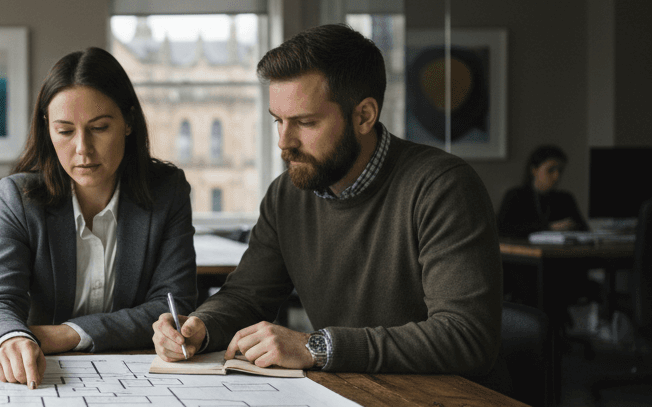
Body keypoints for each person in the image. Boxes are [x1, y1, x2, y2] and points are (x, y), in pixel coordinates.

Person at [153, 24, 501, 375]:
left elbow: (466, 335)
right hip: (350, 397)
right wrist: (201, 325)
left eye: (305, 122)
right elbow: (246, 296)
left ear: (364, 116)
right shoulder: (286, 195)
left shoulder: (442, 187)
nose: (284, 143)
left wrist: (316, 347)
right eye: (278, 121)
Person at [0, 47, 196, 387]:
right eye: (65, 131)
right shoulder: (16, 198)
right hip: (42, 376)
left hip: (138, 377)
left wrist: (70, 333)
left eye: (100, 127)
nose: (83, 148)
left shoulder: (167, 192)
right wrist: (11, 338)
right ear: (48, 130)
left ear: (128, 122)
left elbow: (172, 304)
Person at [496, 145, 588, 238]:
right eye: (550, 170)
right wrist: (549, 227)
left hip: (559, 252)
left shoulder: (565, 198)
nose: (557, 176)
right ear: (534, 170)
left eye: (560, 170)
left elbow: (584, 230)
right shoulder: (515, 195)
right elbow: (502, 229)